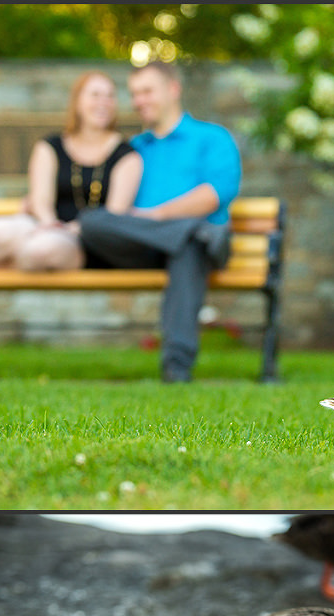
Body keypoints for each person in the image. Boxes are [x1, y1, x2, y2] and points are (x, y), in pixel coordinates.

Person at [78, 61, 242, 383]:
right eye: (135, 94)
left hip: (196, 253)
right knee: (92, 221)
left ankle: (176, 368)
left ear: (173, 89)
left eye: (147, 91)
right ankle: (196, 232)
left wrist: (155, 215)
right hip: (149, 247)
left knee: (188, 249)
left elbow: (213, 195)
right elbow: (109, 207)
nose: (139, 100)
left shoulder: (212, 138)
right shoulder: (133, 149)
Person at [0, 71, 142, 271]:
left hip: (87, 240)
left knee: (41, 251)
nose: (103, 102)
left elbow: (114, 214)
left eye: (110, 96)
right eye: (95, 95)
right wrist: (49, 224)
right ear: (77, 101)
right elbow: (40, 199)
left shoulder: (127, 156)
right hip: (43, 226)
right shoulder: (49, 146)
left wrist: (69, 230)